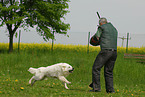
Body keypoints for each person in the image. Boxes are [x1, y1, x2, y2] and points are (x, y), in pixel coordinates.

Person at [89, 17, 118, 93]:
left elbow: (97, 37)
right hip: (114, 52)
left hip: (105, 51)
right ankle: (110, 90)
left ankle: (96, 88)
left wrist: (94, 39)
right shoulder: (114, 29)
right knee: (109, 71)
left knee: (96, 68)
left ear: (101, 23)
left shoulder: (101, 27)